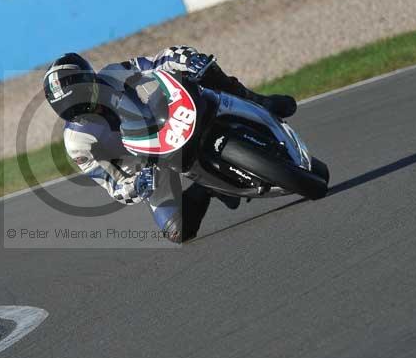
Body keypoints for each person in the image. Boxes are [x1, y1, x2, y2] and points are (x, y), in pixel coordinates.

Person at [42, 47, 297, 243]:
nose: (84, 107)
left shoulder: (112, 75)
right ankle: (210, 187)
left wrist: (185, 59)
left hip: (164, 116)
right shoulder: (77, 143)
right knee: (178, 231)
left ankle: (257, 100)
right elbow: (113, 185)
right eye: (70, 107)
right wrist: (136, 185)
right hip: (148, 164)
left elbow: (153, 64)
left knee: (199, 71)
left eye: (83, 96)